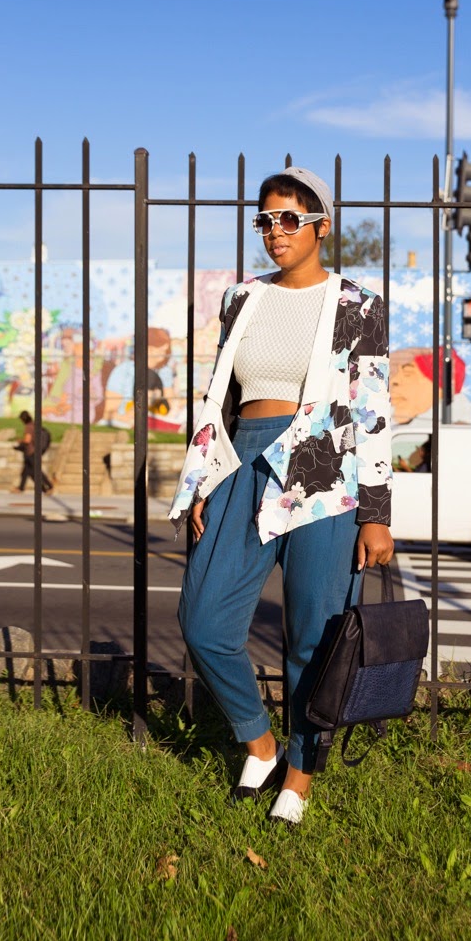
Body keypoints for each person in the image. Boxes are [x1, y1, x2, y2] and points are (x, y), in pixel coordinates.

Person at [168, 167, 394, 825]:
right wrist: (206, 477)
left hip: (324, 469)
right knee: (204, 621)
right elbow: (221, 396)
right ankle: (259, 743)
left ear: (322, 226)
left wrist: (375, 515)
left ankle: (300, 773)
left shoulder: (357, 304)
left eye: (290, 219)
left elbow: (372, 411)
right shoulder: (242, 299)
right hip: (244, 459)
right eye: (265, 220)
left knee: (314, 638)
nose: (275, 231)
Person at [11, 410, 54, 493]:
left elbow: (27, 440)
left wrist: (20, 441)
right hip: (34, 451)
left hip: (31, 452)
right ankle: (21, 488)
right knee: (26, 471)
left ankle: (49, 486)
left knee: (35, 471)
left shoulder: (28, 427)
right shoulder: (34, 425)